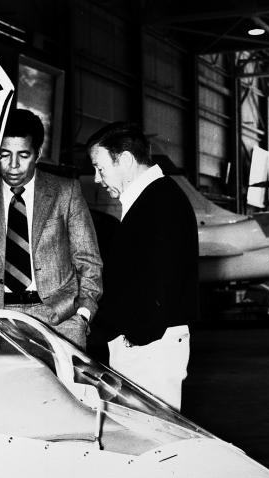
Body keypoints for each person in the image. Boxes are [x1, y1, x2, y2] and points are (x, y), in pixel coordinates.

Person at [0, 108, 102, 350]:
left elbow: (88, 261)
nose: (13, 166)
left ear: (37, 154)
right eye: (4, 155)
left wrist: (83, 313)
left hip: (60, 323)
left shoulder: (65, 192)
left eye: (23, 155)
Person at [85, 122, 198, 410]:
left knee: (154, 437)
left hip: (150, 350)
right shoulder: (153, 199)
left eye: (100, 168)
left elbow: (162, 281)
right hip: (146, 346)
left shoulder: (159, 202)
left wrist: (136, 337)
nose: (97, 179)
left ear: (124, 160)